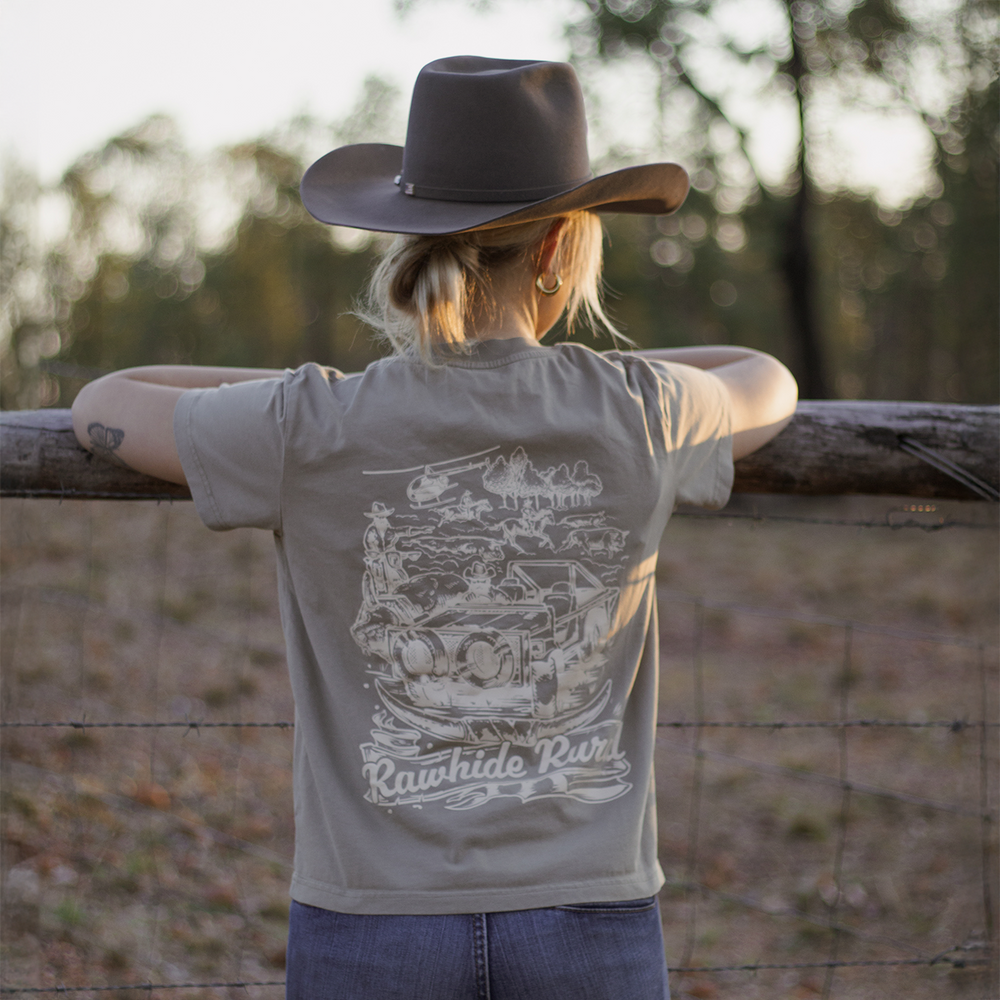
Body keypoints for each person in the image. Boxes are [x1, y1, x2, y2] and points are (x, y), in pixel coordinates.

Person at [71, 56, 797, 1000]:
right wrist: (565, 376)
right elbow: (765, 377)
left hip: (372, 921)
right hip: (590, 917)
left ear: (408, 238)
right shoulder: (641, 408)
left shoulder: (310, 423)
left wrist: (280, 397)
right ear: (560, 250)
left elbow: (104, 401)